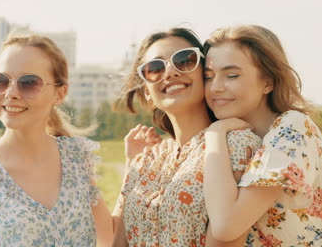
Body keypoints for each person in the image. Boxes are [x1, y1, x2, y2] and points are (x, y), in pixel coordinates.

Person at [0, 35, 113, 246]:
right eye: (2, 81)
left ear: (60, 94)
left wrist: (134, 168)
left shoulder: (77, 158)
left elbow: (109, 235)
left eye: (28, 83)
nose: (11, 93)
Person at [202, 25, 322, 246]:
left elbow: (226, 226)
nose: (215, 87)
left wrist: (214, 134)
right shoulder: (235, 140)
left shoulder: (292, 127)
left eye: (231, 75)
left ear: (268, 82)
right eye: (208, 76)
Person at [112, 28, 262, 246]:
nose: (170, 72)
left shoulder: (236, 144)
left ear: (205, 73)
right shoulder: (145, 161)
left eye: (184, 60)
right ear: (147, 92)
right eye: (154, 68)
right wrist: (131, 165)